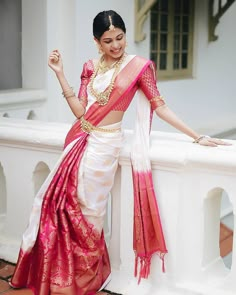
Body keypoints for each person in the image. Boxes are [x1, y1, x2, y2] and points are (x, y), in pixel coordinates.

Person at [10, 10, 230, 295]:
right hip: (80, 140)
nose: (116, 45)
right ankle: (61, 275)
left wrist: (197, 135)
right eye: (108, 40)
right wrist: (60, 74)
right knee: (58, 205)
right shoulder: (90, 67)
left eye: (120, 38)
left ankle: (84, 277)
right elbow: (80, 111)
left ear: (125, 35)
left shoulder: (139, 67)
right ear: (97, 42)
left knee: (90, 211)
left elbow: (159, 106)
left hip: (106, 147)